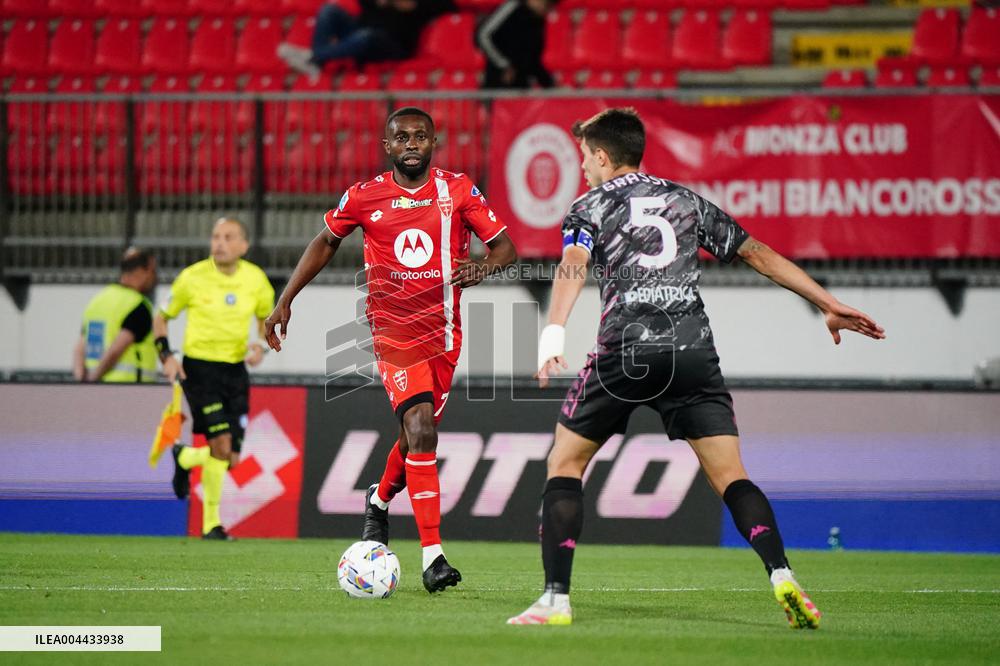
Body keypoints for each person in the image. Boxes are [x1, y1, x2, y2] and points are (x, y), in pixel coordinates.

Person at [507, 108, 886, 627]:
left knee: (566, 462)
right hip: (692, 350)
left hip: (628, 349)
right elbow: (756, 252)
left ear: (602, 157)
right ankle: (781, 573)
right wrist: (827, 302)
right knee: (731, 476)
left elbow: (574, 263)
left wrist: (553, 331)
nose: (583, 169)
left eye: (584, 158)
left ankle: (555, 600)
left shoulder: (589, 205)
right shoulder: (684, 200)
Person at [264, 107, 517, 592]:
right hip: (393, 334)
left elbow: (505, 248)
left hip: (443, 336)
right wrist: (285, 299)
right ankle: (433, 558)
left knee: (413, 435)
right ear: (387, 146)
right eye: (402, 137)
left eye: (420, 136)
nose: (411, 144)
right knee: (421, 427)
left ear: (434, 142)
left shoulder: (459, 190)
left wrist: (484, 268)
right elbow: (325, 241)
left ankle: (378, 500)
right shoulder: (364, 196)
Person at [154, 217, 275, 541]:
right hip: (200, 370)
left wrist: (260, 345)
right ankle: (211, 525)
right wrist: (166, 356)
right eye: (216, 236)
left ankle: (185, 457)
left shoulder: (256, 279)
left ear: (243, 245)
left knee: (231, 459)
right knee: (220, 445)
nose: (219, 243)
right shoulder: (192, 277)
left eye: (228, 237)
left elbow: (265, 318)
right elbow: (161, 318)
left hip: (235, 372)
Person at [278, 0, 456, 80]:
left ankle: (314, 57)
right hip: (362, 30)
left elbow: (449, 5)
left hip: (395, 44)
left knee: (367, 36)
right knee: (328, 10)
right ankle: (317, 62)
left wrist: (415, 5)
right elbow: (364, 5)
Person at [73, 248, 158, 383]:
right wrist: (94, 378)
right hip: (129, 388)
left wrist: (82, 382)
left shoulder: (98, 300)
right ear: (141, 271)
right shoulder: (138, 306)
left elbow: (80, 347)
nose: (154, 278)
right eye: (152, 271)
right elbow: (117, 349)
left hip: (95, 388)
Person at [477, 0, 556, 89]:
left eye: (549, 5)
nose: (545, 8)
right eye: (544, 3)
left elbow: (532, 61)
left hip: (520, 88)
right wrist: (504, 65)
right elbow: (483, 35)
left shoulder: (538, 21)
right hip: (496, 85)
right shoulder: (512, 7)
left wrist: (550, 85)